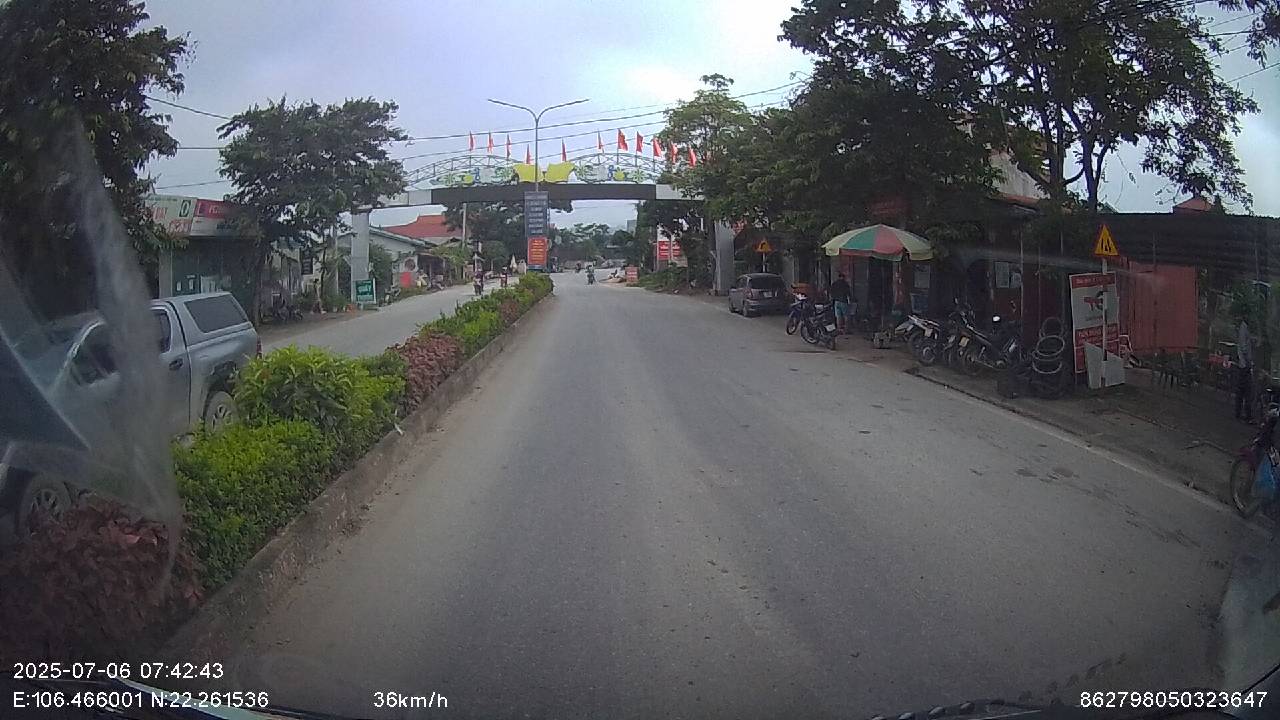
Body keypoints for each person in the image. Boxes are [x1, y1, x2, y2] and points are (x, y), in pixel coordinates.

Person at [1236, 313, 1256, 422]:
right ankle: (1248, 415)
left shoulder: (1244, 328)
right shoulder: (1244, 328)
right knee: (1248, 390)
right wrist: (1249, 361)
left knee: (1241, 389)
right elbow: (1244, 347)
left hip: (1243, 364)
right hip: (1245, 364)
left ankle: (1238, 412)